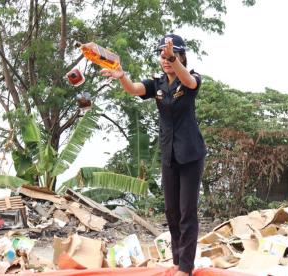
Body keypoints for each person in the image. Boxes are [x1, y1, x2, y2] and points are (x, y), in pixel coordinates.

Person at [100, 34, 206, 276]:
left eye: (172, 55)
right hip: (169, 154)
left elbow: (189, 82)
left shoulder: (192, 79)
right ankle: (178, 261)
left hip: (191, 154)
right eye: (163, 55)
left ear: (181, 56)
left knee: (187, 211)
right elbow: (135, 90)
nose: (166, 60)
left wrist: (174, 60)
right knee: (171, 210)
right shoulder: (157, 83)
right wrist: (122, 77)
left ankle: (186, 268)